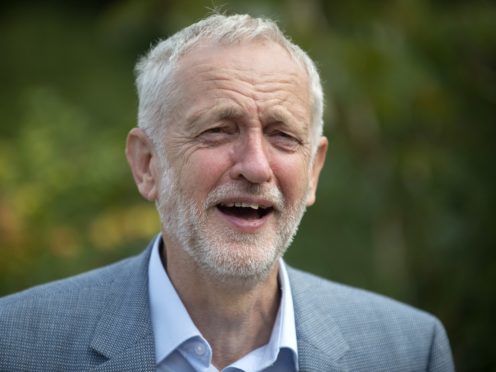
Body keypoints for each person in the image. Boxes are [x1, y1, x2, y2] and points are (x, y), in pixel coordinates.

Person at [0, 14, 454, 371]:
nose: (256, 166)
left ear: (314, 171)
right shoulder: (16, 344)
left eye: (282, 136)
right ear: (146, 164)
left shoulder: (409, 350)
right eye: (218, 131)